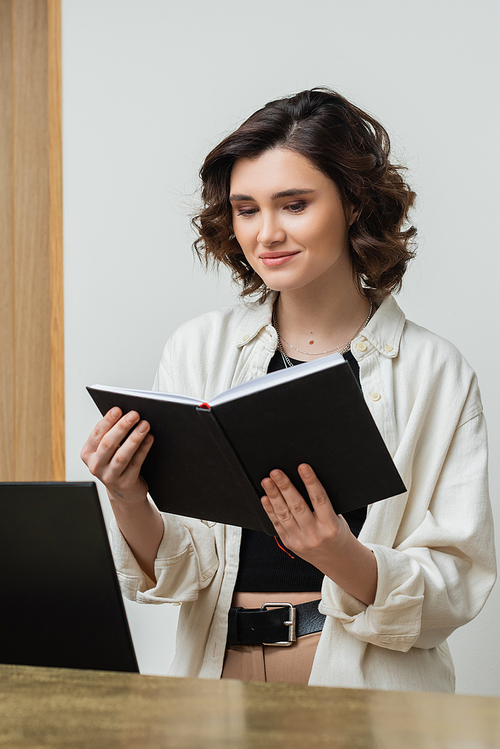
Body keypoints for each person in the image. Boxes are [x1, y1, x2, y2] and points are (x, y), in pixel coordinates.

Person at [81, 88, 496, 692]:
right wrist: (126, 497)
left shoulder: (435, 372)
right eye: (246, 209)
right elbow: (185, 571)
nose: (266, 233)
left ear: (353, 204)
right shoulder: (198, 350)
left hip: (364, 679)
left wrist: (339, 555)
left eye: (294, 204)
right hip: (218, 672)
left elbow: (456, 589)